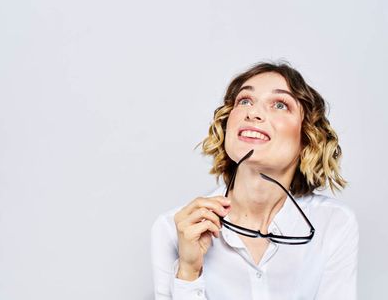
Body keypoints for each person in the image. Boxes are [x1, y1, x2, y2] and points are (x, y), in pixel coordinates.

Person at [151, 62, 358, 300]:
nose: (253, 113)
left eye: (280, 105)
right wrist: (188, 272)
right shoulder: (172, 229)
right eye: (245, 101)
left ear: (307, 137)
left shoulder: (334, 224)